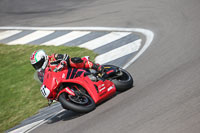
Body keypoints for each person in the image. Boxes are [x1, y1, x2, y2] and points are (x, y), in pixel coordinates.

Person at [30, 49, 104, 78]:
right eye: (35, 65)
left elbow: (65, 57)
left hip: (71, 71)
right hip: (63, 80)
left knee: (73, 60)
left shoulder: (53, 58)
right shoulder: (41, 74)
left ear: (43, 58)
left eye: (38, 64)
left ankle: (96, 67)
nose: (38, 66)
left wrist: (62, 63)